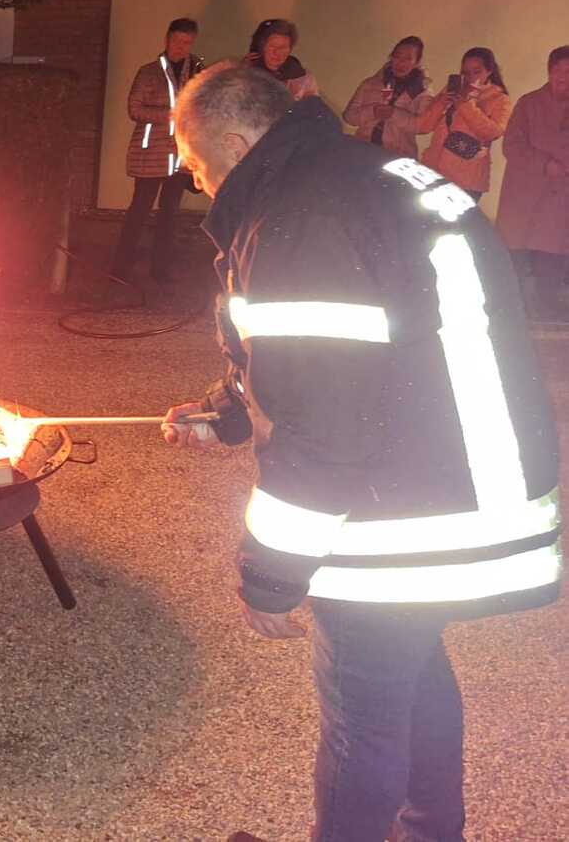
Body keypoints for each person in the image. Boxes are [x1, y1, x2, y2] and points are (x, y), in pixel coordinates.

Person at [161, 64, 560, 842]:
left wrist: (271, 574)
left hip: (409, 505)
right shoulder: (365, 175)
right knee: (407, 670)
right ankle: (430, 831)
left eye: (197, 163)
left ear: (236, 144)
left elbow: (325, 422)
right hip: (472, 480)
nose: (196, 181)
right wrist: (229, 412)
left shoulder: (298, 216)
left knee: (361, 717)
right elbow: (345, 353)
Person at [107, 18, 203, 285]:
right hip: (150, 154)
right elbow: (134, 109)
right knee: (139, 211)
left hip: (181, 156)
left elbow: (204, 107)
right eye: (178, 41)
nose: (182, 47)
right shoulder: (149, 72)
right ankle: (120, 268)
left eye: (187, 42)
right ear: (167, 39)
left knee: (169, 215)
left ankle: (161, 270)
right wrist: (169, 115)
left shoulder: (197, 73)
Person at [496, 44, 569, 321]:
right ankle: (512, 310)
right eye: (559, 70)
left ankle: (548, 307)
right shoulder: (529, 103)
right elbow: (512, 145)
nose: (564, 77)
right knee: (518, 253)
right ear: (549, 72)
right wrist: (544, 164)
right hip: (527, 191)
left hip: (561, 194)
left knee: (554, 254)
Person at [415, 46, 510, 200]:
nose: (470, 77)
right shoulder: (453, 89)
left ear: (489, 71)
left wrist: (465, 106)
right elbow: (424, 126)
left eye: (476, 72)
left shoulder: (499, 99)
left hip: (466, 178)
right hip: (433, 171)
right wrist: (441, 103)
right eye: (465, 73)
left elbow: (493, 133)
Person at [342, 35, 430, 157]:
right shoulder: (370, 83)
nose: (401, 62)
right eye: (397, 56)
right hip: (363, 150)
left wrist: (394, 114)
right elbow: (348, 116)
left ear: (416, 63)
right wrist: (373, 111)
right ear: (391, 57)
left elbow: (423, 127)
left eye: (408, 58)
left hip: (397, 156)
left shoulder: (423, 92)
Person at [246, 18, 319, 100]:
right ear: (261, 48)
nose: (277, 52)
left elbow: (314, 106)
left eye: (283, 47)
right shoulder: (245, 75)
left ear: (290, 50)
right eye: (272, 46)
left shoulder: (304, 80)